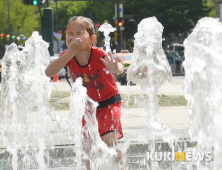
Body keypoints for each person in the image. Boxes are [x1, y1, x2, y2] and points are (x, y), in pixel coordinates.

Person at [45, 16, 127, 169]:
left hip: (109, 102)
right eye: (70, 33)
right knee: (88, 147)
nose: (74, 37)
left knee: (110, 140)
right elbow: (49, 71)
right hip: (88, 106)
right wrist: (70, 52)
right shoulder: (67, 56)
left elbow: (118, 65)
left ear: (91, 39)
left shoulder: (98, 54)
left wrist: (117, 69)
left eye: (79, 33)